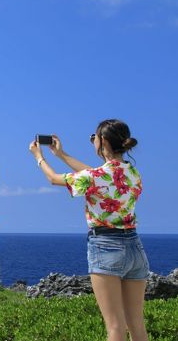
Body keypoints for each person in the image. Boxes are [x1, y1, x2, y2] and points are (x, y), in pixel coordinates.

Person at [29, 119, 149, 341]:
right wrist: (62, 155)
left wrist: (39, 157)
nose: (93, 142)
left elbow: (54, 178)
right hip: (135, 247)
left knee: (115, 327)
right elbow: (97, 174)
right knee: (137, 325)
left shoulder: (94, 177)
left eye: (94, 138)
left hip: (105, 247)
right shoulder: (132, 172)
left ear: (103, 141)